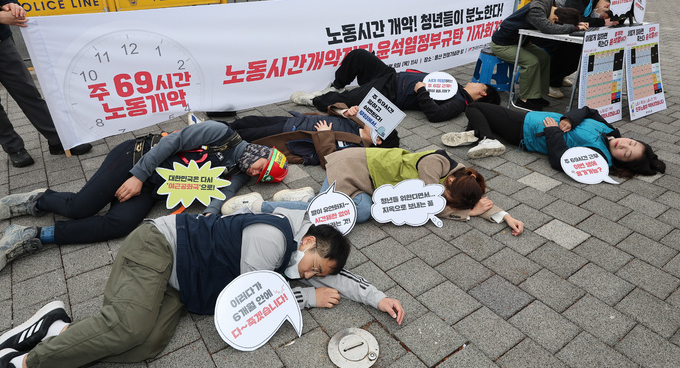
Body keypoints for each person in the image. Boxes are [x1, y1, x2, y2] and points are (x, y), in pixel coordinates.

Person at [0, 209, 405, 368]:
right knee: (127, 327)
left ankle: (57, 329)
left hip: (183, 284)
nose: (312, 275)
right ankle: (24, 365)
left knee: (146, 346)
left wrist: (378, 298)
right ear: (309, 242)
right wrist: (308, 298)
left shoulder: (303, 251)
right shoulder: (273, 239)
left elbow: (338, 276)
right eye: (313, 267)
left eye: (317, 274)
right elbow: (253, 300)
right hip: (159, 247)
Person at [0, 121, 288, 271]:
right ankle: (39, 200)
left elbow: (224, 193)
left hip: (156, 186)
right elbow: (172, 142)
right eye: (260, 166)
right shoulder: (221, 133)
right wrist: (137, 176)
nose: (253, 172)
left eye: (259, 176)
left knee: (119, 224)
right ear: (261, 152)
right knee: (80, 208)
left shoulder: (239, 171)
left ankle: (32, 235)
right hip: (136, 158)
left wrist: (208, 218)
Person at [223, 147, 525, 236]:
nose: (447, 200)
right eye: (447, 197)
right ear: (448, 183)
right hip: (352, 168)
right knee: (326, 214)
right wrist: (467, 213)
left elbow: (474, 198)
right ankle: (257, 206)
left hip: (370, 185)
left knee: (363, 212)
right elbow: (430, 205)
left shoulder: (462, 178)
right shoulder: (434, 166)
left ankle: (304, 197)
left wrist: (504, 216)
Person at [0, 0, 91, 167]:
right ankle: (14, 147)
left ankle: (57, 139)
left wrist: (10, 3)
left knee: (27, 90)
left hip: (1, 41)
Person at [441, 103, 666, 178]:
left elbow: (560, 161)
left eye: (626, 153)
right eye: (631, 143)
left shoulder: (599, 158)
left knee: (475, 107)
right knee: (485, 114)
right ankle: (478, 134)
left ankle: (487, 138)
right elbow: (589, 111)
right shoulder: (612, 133)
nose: (623, 145)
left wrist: (553, 131)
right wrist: (570, 119)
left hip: (526, 133)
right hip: (531, 119)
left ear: (622, 162)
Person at [289, 49, 501, 123]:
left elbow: (435, 115)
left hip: (389, 93)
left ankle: (315, 100)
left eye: (479, 84)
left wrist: (421, 91)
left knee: (346, 102)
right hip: (390, 76)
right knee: (359, 56)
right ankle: (336, 86)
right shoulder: (455, 86)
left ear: (483, 92)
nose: (475, 81)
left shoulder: (459, 102)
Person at [229, 104, 399, 168]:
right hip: (297, 121)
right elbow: (333, 107)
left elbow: (330, 161)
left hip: (291, 134)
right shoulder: (359, 122)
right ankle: (221, 127)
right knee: (248, 121)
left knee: (246, 135)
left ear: (378, 140)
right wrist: (345, 111)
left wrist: (325, 135)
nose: (373, 122)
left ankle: (218, 135)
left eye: (377, 127)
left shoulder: (357, 149)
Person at [490, 0, 586, 111]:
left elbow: (552, 26)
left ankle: (536, 95)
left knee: (544, 58)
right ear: (555, 18)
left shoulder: (550, 6)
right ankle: (524, 99)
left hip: (520, 42)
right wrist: (574, 28)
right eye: (557, 24)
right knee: (531, 62)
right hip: (502, 44)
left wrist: (574, 25)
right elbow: (548, 28)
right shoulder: (536, 11)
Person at [534, 0, 621, 99]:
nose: (600, 18)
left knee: (581, 47)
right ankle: (551, 82)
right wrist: (601, 22)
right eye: (603, 16)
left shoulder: (595, 0)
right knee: (570, 48)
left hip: (560, 29)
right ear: (606, 7)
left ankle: (560, 75)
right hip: (545, 30)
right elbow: (575, 20)